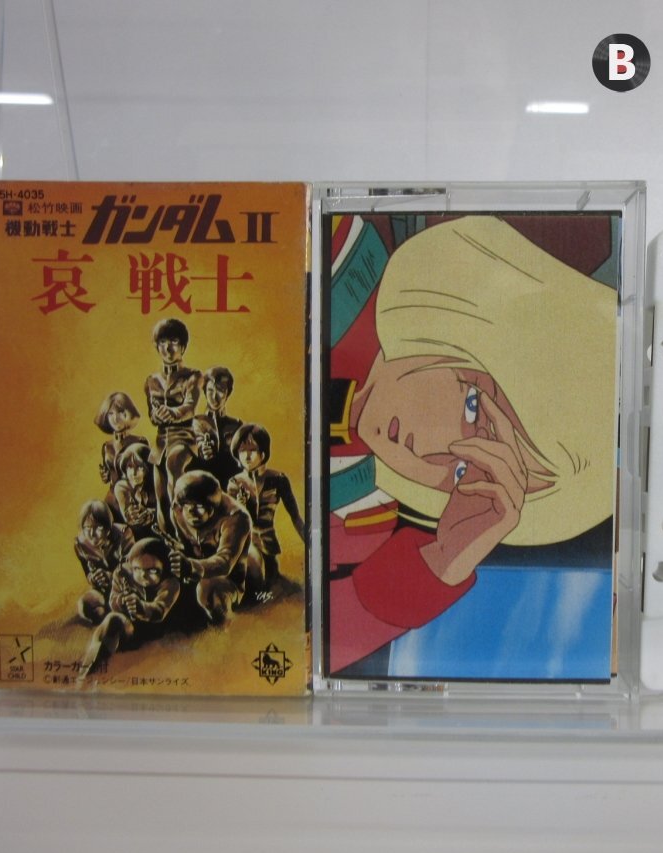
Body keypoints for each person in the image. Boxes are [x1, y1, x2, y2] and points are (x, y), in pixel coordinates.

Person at [326, 215, 618, 672]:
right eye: (472, 409)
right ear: (472, 329)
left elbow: (299, 635)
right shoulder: (344, 263)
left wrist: (443, 560)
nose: (431, 454)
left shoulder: (363, 522)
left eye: (463, 474)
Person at [77, 538, 183, 680]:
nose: (143, 575)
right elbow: (113, 601)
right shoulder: (122, 573)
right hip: (127, 629)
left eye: (152, 570)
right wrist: (121, 601)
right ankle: (87, 675)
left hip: (153, 634)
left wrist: (140, 607)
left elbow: (159, 611)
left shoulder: (170, 583)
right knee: (112, 620)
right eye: (137, 569)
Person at [226, 423, 305, 594]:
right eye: (242, 451)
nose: (247, 456)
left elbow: (295, 516)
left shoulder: (278, 479)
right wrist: (240, 507)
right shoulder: (235, 483)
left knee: (274, 584)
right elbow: (231, 522)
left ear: (263, 453)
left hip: (269, 544)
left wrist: (310, 543)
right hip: (245, 545)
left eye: (252, 450)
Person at [167, 470, 252, 625]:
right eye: (187, 505)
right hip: (192, 573)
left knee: (207, 588)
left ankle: (228, 629)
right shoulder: (177, 510)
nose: (191, 512)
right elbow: (184, 544)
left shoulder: (236, 517)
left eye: (199, 506)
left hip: (229, 580)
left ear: (213, 507)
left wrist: (190, 566)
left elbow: (224, 562)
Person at [144, 318, 201, 535]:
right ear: (157, 346)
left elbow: (189, 407)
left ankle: (184, 536)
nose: (168, 348)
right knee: (160, 496)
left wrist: (172, 413)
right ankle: (167, 539)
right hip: (160, 444)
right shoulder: (151, 381)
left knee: (173, 466)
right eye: (163, 342)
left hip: (184, 439)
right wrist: (157, 415)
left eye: (174, 342)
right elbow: (152, 414)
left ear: (183, 347)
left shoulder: (193, 376)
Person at [73, 500, 135, 623]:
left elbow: (131, 568)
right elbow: (87, 572)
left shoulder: (123, 534)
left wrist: (111, 576)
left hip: (127, 587)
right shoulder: (80, 544)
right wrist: (94, 578)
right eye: (87, 528)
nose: (92, 533)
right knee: (85, 605)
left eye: (98, 527)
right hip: (104, 590)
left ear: (107, 527)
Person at [93, 391, 148, 523]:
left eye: (120, 412)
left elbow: (147, 474)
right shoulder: (107, 447)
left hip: (133, 499)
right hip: (112, 501)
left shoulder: (139, 442)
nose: (115, 418)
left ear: (130, 413)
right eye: (111, 414)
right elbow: (108, 476)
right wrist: (105, 475)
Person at [193, 366, 244, 489]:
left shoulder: (236, 425)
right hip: (202, 487)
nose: (214, 396)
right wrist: (200, 450)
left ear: (228, 393)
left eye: (220, 390)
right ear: (204, 391)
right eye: (210, 390)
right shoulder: (194, 422)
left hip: (230, 487)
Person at [113, 442, 157, 541]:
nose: (134, 473)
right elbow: (128, 516)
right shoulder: (122, 487)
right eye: (130, 466)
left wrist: (152, 513)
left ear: (148, 467)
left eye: (139, 466)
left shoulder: (157, 484)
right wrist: (132, 515)